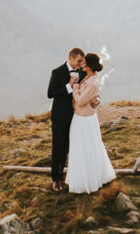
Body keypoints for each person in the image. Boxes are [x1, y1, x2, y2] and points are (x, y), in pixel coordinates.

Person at [65, 52, 117, 194]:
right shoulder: (89, 77)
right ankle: (83, 177)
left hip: (84, 119)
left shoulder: (93, 82)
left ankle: (87, 180)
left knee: (85, 147)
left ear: (89, 65)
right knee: (81, 146)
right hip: (82, 117)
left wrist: (75, 88)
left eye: (84, 62)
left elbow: (81, 101)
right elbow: (92, 96)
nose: (82, 64)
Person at [46, 47, 86, 192]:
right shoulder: (57, 72)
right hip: (60, 116)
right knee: (58, 147)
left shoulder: (82, 72)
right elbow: (50, 93)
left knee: (68, 147)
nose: (81, 64)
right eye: (79, 61)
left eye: (82, 61)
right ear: (70, 58)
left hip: (76, 116)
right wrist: (69, 86)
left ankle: (63, 173)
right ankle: (55, 179)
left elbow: (90, 88)